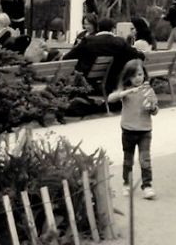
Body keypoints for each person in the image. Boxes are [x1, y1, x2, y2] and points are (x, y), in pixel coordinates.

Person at [107, 59, 159, 199]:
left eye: (140, 74)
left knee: (145, 159)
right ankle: (127, 184)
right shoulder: (125, 90)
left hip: (145, 130)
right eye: (134, 75)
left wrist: (152, 107)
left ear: (144, 75)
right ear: (128, 77)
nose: (138, 78)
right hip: (128, 130)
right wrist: (126, 92)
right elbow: (110, 98)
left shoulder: (148, 90)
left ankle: (147, 186)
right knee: (128, 160)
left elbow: (155, 110)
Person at [63, 17, 146, 95]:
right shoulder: (120, 42)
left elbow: (67, 57)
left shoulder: (88, 40)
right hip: (110, 79)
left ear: (98, 28)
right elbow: (139, 55)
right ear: (113, 29)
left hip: (87, 78)